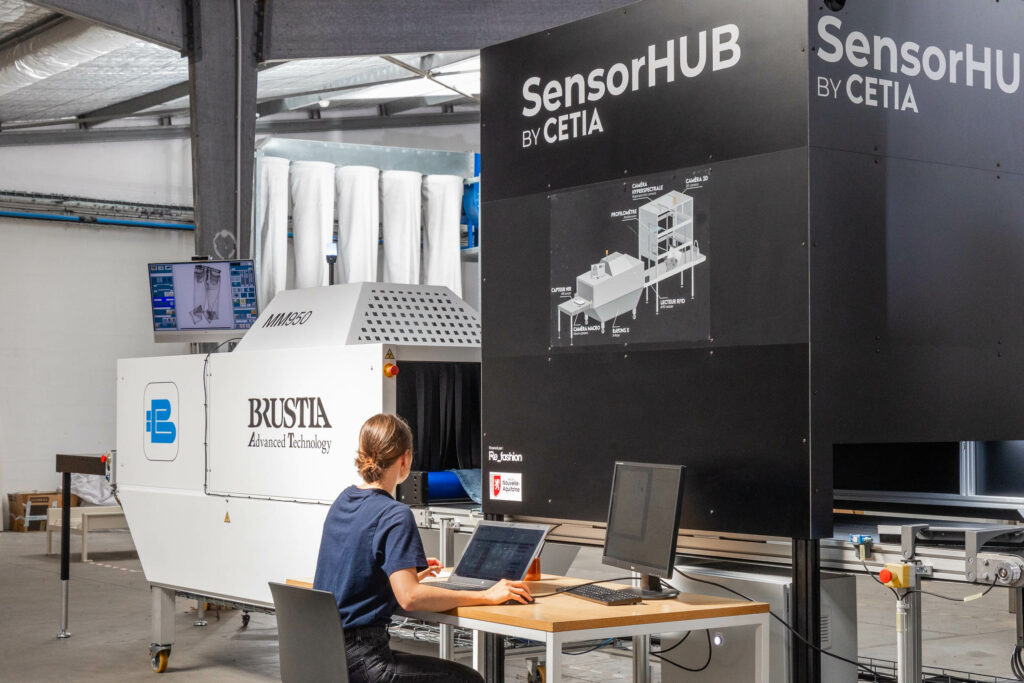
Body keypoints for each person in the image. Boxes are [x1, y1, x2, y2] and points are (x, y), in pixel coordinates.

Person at [314, 413, 532, 683]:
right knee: (469, 679)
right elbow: (410, 598)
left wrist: (402, 570)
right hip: (366, 662)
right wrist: (486, 595)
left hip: (327, 656)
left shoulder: (343, 500)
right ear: (405, 459)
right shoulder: (394, 514)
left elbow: (355, 568)